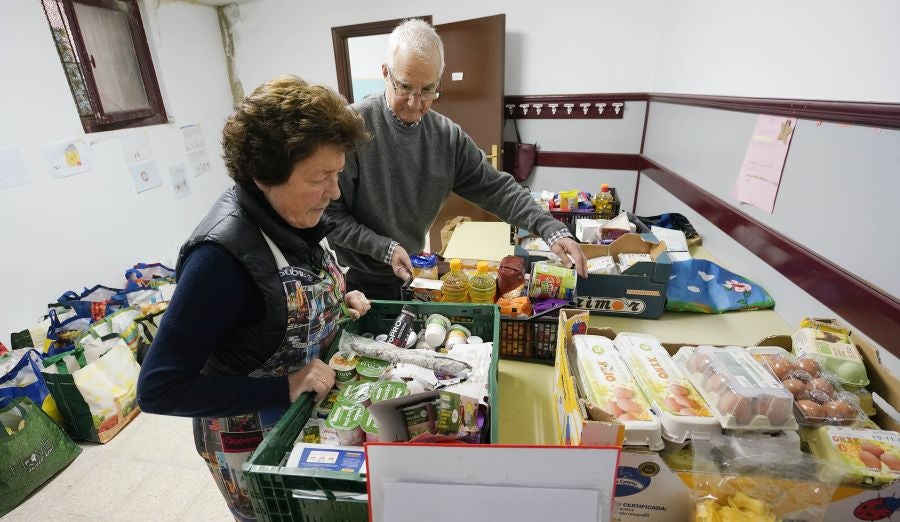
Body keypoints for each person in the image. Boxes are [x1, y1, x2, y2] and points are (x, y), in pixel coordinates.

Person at [136, 75, 370, 521]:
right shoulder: (218, 261)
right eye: (321, 177)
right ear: (264, 175)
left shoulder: (294, 215)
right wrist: (283, 386)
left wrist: (339, 303)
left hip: (306, 423)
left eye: (337, 173)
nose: (335, 191)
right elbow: (158, 390)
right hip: (251, 444)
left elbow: (279, 306)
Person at [325, 18, 588, 300]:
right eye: (405, 87)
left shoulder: (446, 137)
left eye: (428, 89)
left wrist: (551, 229)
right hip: (359, 281)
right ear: (385, 73)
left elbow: (497, 189)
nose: (416, 102)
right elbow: (330, 216)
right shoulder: (352, 128)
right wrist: (384, 248)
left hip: (415, 272)